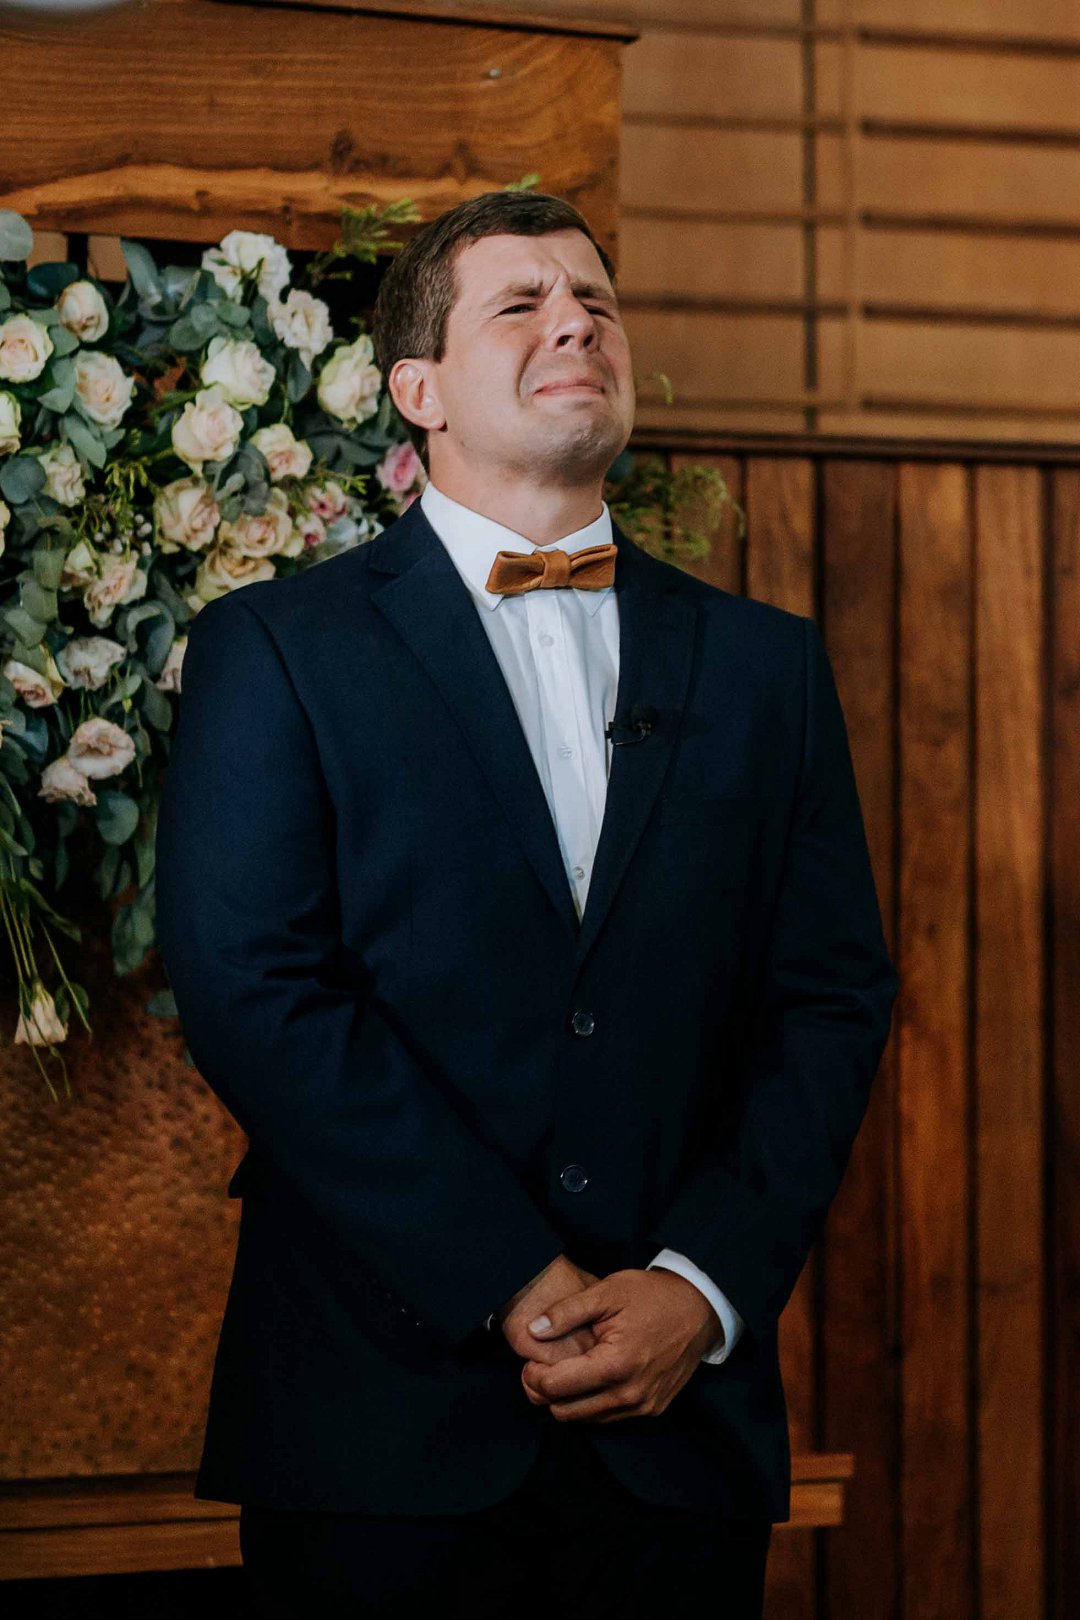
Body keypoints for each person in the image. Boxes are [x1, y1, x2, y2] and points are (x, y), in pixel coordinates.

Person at [154, 189, 899, 1618]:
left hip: (679, 1429)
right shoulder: (275, 648)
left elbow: (829, 1000)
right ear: (417, 389)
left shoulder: (767, 669)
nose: (577, 320)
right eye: (523, 303)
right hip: (378, 1428)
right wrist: (512, 1277)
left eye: (597, 303)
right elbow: (254, 988)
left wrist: (704, 1283)